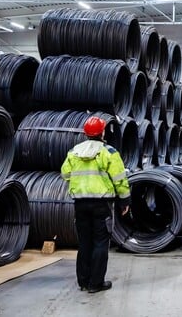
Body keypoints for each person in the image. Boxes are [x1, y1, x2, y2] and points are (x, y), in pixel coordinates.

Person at [60, 115, 131, 293]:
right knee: (100, 242)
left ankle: (83, 282)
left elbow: (65, 174)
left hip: (80, 204)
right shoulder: (109, 152)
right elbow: (119, 179)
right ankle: (96, 283)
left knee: (84, 242)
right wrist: (125, 201)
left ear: (86, 133)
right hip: (102, 204)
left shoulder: (74, 152)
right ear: (102, 132)